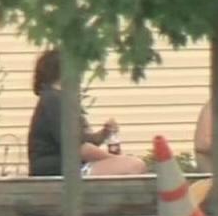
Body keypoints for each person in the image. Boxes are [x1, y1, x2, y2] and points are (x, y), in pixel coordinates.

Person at [26, 49, 147, 177]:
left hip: (68, 167)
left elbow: (83, 140)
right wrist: (111, 159)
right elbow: (78, 147)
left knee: (130, 164)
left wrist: (103, 134)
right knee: (134, 166)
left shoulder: (57, 99)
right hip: (56, 171)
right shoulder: (53, 100)